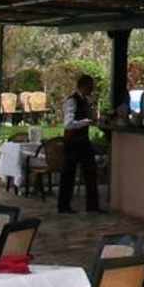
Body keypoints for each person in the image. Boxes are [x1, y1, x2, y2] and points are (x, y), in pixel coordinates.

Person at [58, 74, 103, 214]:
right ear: (83, 86)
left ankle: (92, 206)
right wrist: (87, 122)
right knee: (68, 175)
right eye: (90, 86)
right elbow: (68, 124)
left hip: (83, 141)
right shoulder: (72, 101)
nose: (92, 89)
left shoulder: (85, 101)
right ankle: (63, 206)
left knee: (91, 172)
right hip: (72, 142)